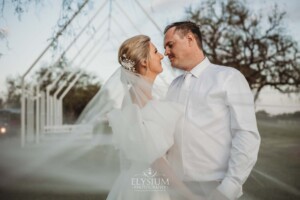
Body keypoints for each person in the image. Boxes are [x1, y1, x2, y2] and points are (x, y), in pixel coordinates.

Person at [164, 21, 261, 200]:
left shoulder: (228, 77)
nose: (166, 52)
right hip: (175, 188)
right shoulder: (173, 86)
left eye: (170, 45)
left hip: (214, 187)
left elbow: (246, 134)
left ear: (190, 39)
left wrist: (229, 187)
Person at [103, 35, 201, 200]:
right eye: (155, 52)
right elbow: (156, 161)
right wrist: (189, 196)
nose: (162, 55)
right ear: (144, 62)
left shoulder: (144, 96)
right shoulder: (137, 100)